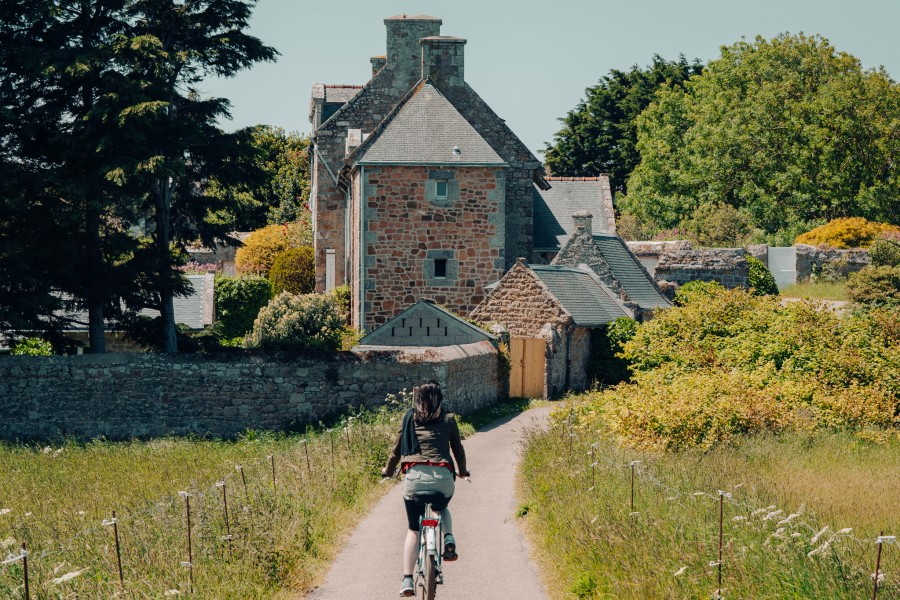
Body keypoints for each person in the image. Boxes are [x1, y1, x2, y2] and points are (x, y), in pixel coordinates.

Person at [382, 380, 469, 597]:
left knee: (413, 529)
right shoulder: (449, 419)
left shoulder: (410, 418)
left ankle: (407, 580)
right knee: (441, 508)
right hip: (443, 477)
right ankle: (448, 537)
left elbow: (396, 451)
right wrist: (463, 471)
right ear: (440, 398)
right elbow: (458, 450)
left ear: (417, 399)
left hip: (415, 478)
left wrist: (388, 470)